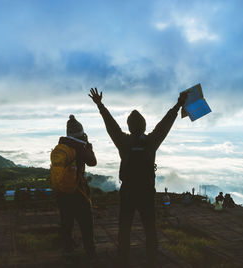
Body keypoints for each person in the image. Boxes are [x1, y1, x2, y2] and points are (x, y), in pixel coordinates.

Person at [89, 88, 187, 267]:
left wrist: (100, 105)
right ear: (144, 126)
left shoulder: (123, 142)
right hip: (147, 191)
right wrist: (179, 104)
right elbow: (165, 125)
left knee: (124, 227)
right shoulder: (151, 142)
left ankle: (123, 258)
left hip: (127, 191)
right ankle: (152, 258)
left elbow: (111, 126)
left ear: (129, 127)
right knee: (150, 227)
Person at [55, 115, 97, 266]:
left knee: (66, 222)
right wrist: (89, 147)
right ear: (81, 133)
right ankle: (90, 253)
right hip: (78, 193)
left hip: (61, 192)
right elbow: (93, 162)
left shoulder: (62, 146)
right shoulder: (80, 148)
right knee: (86, 224)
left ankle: (67, 250)